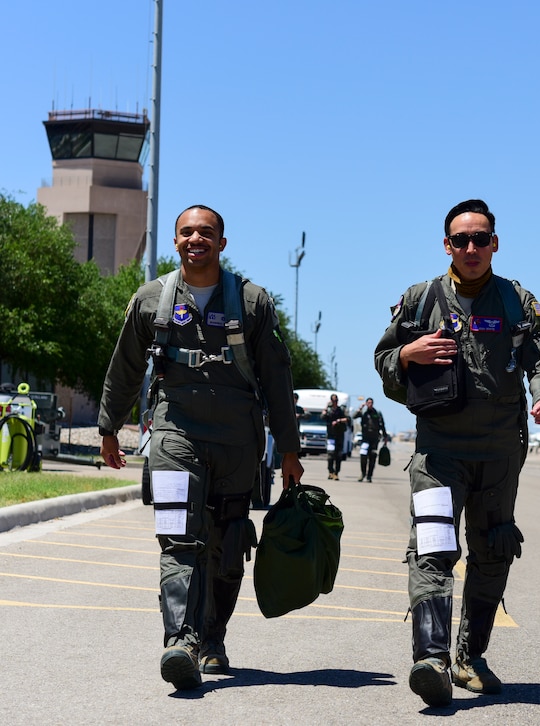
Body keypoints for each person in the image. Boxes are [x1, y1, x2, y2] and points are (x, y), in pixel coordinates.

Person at [98, 204, 304, 691]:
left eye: (206, 232)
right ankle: (181, 642)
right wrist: (109, 426)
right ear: (175, 242)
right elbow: (125, 366)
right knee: (178, 537)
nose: (196, 239)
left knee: (228, 545)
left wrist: (289, 449)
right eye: (187, 232)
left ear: (222, 243)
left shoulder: (253, 302)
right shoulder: (151, 299)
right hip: (175, 434)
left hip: (237, 440)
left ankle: (213, 637)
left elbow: (277, 378)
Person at [374, 199, 540, 707]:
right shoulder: (420, 299)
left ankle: (469, 655)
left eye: (481, 239)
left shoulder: (517, 301)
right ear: (447, 245)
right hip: (440, 452)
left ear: (495, 244)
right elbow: (383, 359)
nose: (471, 248)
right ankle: (432, 659)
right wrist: (407, 356)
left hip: (500, 452)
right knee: (434, 548)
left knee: (493, 550)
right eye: (461, 240)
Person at [353, 396, 387, 481]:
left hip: (374, 439)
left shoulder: (377, 413)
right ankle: (363, 473)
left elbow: (382, 425)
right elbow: (354, 416)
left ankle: (369, 476)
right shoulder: (363, 412)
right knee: (363, 456)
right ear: (366, 403)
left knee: (372, 457)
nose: (370, 404)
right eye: (368, 403)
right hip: (365, 439)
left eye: (371, 403)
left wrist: (385, 436)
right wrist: (360, 408)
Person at [322, 394, 348, 480]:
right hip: (331, 436)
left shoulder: (341, 410)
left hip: (339, 436)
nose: (335, 402)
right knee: (330, 455)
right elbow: (322, 417)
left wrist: (338, 420)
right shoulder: (328, 410)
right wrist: (326, 407)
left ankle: (336, 473)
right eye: (333, 400)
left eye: (336, 400)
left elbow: (347, 419)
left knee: (338, 455)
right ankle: (330, 472)